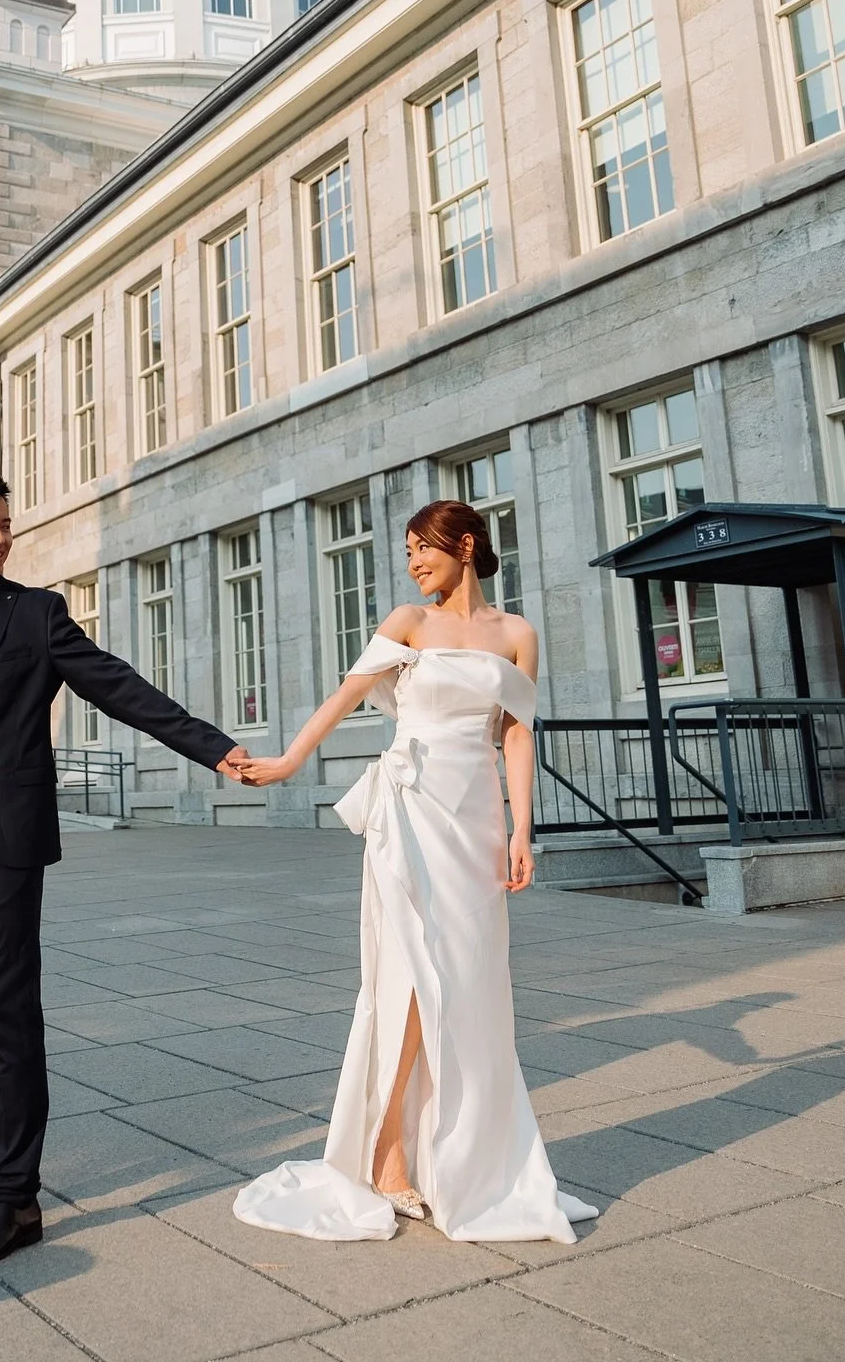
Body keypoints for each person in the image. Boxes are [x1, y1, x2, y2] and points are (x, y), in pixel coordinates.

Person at [0, 469, 249, 1274]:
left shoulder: (36, 614)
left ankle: (16, 1199)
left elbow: (117, 686)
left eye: (6, 526)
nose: (0, 537)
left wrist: (211, 746)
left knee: (6, 1009)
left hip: (6, 838)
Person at [232, 500, 598, 1245]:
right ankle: (385, 1146)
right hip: (410, 813)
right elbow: (341, 698)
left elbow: (519, 735)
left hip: (475, 823)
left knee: (469, 982)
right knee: (406, 972)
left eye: (423, 548)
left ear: (465, 546)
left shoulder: (518, 635)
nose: (413, 562)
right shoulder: (409, 623)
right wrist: (289, 762)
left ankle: (461, 1157)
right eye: (407, 551)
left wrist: (523, 829)